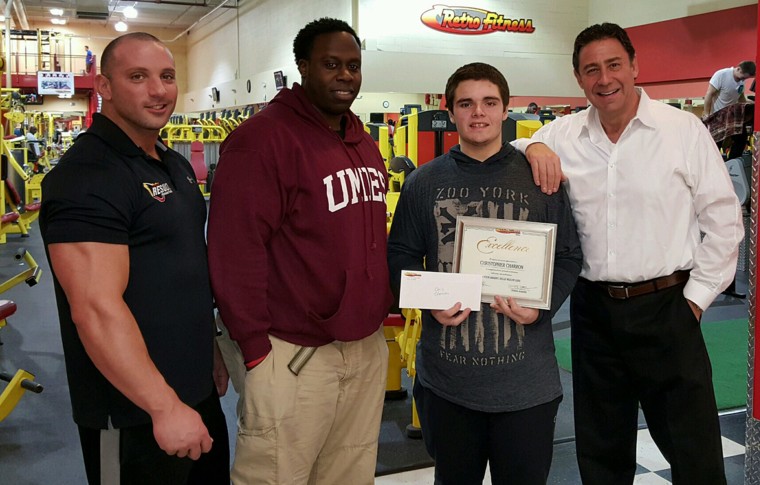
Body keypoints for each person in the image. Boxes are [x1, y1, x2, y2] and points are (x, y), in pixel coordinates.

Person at [513, 23, 743, 484]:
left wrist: (695, 301)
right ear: (578, 78)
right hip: (594, 312)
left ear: (635, 67)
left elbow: (723, 221)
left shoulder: (683, 131)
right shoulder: (563, 134)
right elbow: (513, 147)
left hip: (669, 308)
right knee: (601, 453)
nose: (604, 79)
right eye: (591, 69)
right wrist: (533, 143)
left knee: (694, 450)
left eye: (614, 65)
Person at [207, 17, 391, 485]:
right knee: (275, 476)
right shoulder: (262, 140)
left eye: (353, 65)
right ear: (304, 67)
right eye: (332, 64)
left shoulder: (361, 140)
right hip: (292, 355)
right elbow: (234, 252)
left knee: (349, 475)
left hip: (362, 348)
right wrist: (254, 351)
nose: (345, 75)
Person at [40, 32, 230, 485]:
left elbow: (182, 269)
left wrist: (209, 350)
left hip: (194, 396)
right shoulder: (87, 176)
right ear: (104, 86)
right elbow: (96, 309)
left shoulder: (173, 164)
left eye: (166, 76)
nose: (158, 90)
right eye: (138, 76)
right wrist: (163, 406)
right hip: (133, 412)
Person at [387, 62, 583, 484]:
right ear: (450, 110)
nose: (479, 112)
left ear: (505, 109)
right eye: (467, 103)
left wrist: (541, 308)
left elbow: (568, 255)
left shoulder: (541, 180)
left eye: (489, 102)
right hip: (447, 385)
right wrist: (430, 301)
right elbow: (399, 256)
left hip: (526, 386)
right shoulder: (423, 183)